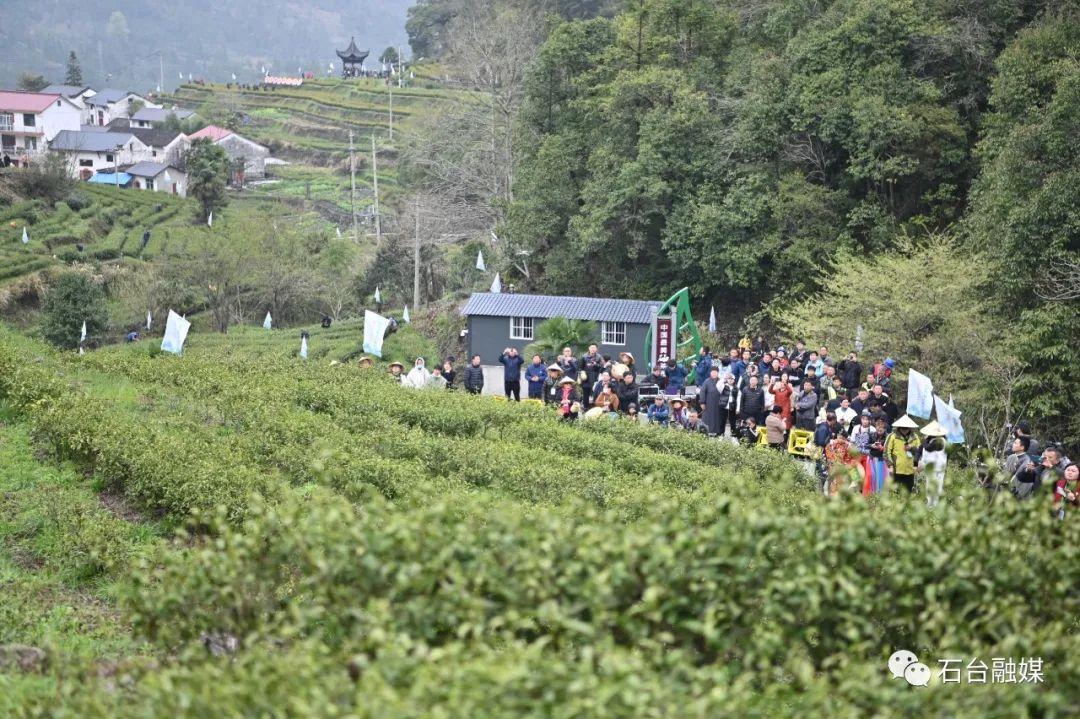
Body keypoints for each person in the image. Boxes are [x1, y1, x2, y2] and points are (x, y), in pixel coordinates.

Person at [885, 414, 922, 494]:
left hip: (910, 470)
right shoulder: (892, 436)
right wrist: (890, 465)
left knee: (908, 493)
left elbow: (919, 452)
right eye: (903, 428)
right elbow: (886, 452)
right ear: (899, 427)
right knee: (895, 492)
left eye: (906, 428)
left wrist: (911, 448)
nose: (904, 430)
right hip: (896, 469)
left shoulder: (915, 437)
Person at [919, 421, 949, 507]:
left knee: (937, 488)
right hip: (931, 468)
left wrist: (924, 441)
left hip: (938, 468)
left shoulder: (941, 441)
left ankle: (935, 506)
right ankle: (930, 505)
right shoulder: (931, 440)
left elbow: (928, 448)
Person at [697, 366, 724, 437]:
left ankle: (717, 432)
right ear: (710, 373)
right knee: (708, 417)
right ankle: (706, 431)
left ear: (718, 373)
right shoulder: (707, 381)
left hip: (719, 403)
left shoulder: (721, 381)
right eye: (713, 372)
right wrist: (702, 402)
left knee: (717, 417)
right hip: (708, 403)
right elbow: (702, 392)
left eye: (715, 372)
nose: (714, 374)